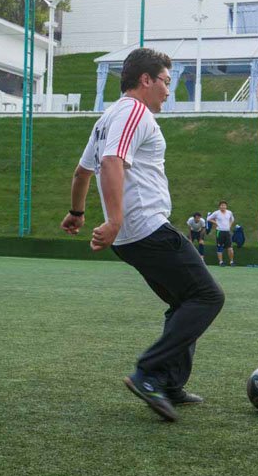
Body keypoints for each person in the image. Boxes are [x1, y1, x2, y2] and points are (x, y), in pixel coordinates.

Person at [62, 47, 225, 423]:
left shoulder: (108, 117)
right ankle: (148, 373)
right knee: (207, 297)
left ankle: (169, 383)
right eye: (166, 81)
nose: (169, 90)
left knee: (184, 302)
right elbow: (110, 162)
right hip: (146, 227)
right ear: (146, 80)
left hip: (131, 237)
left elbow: (82, 172)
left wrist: (77, 213)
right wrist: (115, 220)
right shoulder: (134, 112)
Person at [208, 200, 236, 266]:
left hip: (227, 232)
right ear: (219, 206)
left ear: (226, 206)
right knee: (220, 247)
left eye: (224, 205)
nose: (223, 207)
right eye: (221, 205)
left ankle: (231, 262)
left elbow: (232, 219)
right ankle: (221, 262)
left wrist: (230, 225)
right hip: (219, 231)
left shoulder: (229, 212)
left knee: (230, 247)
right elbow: (208, 219)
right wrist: (215, 223)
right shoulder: (216, 213)